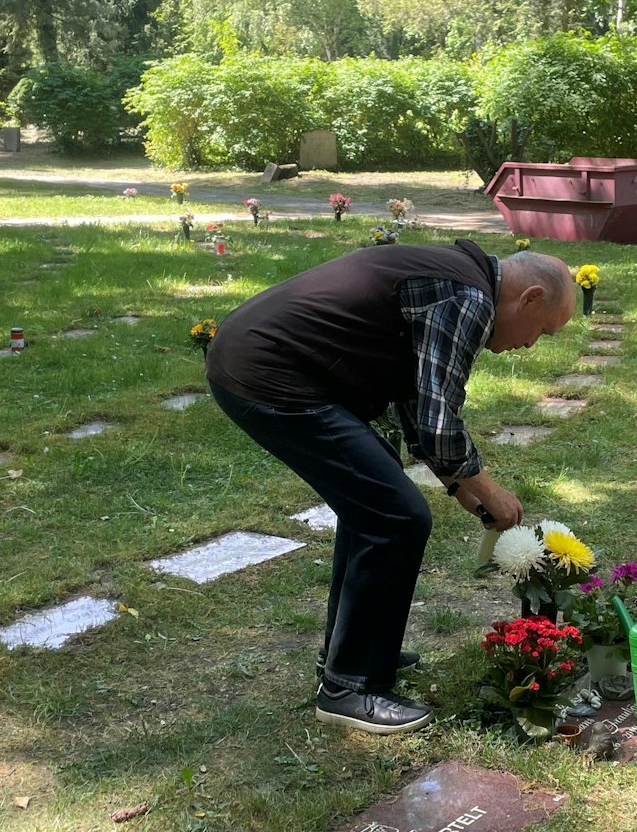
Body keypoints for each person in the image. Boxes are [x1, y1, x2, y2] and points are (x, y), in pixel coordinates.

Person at [206, 242, 577, 734]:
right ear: (529, 298)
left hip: (264, 362)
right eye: (542, 332)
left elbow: (414, 394)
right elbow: (437, 422)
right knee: (396, 517)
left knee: (378, 505)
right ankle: (348, 687)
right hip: (271, 375)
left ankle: (352, 652)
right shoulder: (467, 296)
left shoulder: (458, 279)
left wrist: (458, 487)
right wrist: (491, 491)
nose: (531, 345)